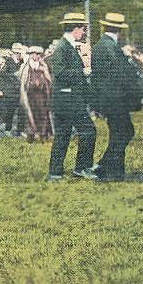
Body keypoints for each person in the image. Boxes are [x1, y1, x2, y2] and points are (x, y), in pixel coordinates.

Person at [91, 13, 143, 181]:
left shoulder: (104, 45)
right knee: (124, 132)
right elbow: (123, 75)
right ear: (120, 30)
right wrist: (141, 96)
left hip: (109, 99)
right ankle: (106, 169)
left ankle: (112, 171)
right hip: (114, 100)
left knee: (120, 133)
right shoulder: (110, 47)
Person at [48, 13, 97, 181]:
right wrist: (83, 72)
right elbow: (60, 73)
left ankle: (55, 173)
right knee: (89, 131)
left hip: (63, 100)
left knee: (62, 135)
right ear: (75, 29)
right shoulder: (63, 47)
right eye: (83, 29)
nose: (84, 33)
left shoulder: (66, 45)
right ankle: (82, 167)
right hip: (69, 100)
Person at [19, 46, 53, 143]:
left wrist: (45, 71)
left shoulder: (43, 66)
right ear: (30, 55)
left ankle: (43, 135)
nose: (36, 56)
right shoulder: (26, 67)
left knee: (42, 114)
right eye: (34, 54)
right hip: (30, 95)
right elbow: (23, 83)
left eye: (38, 54)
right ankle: (31, 135)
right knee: (31, 115)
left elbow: (49, 81)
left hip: (41, 95)